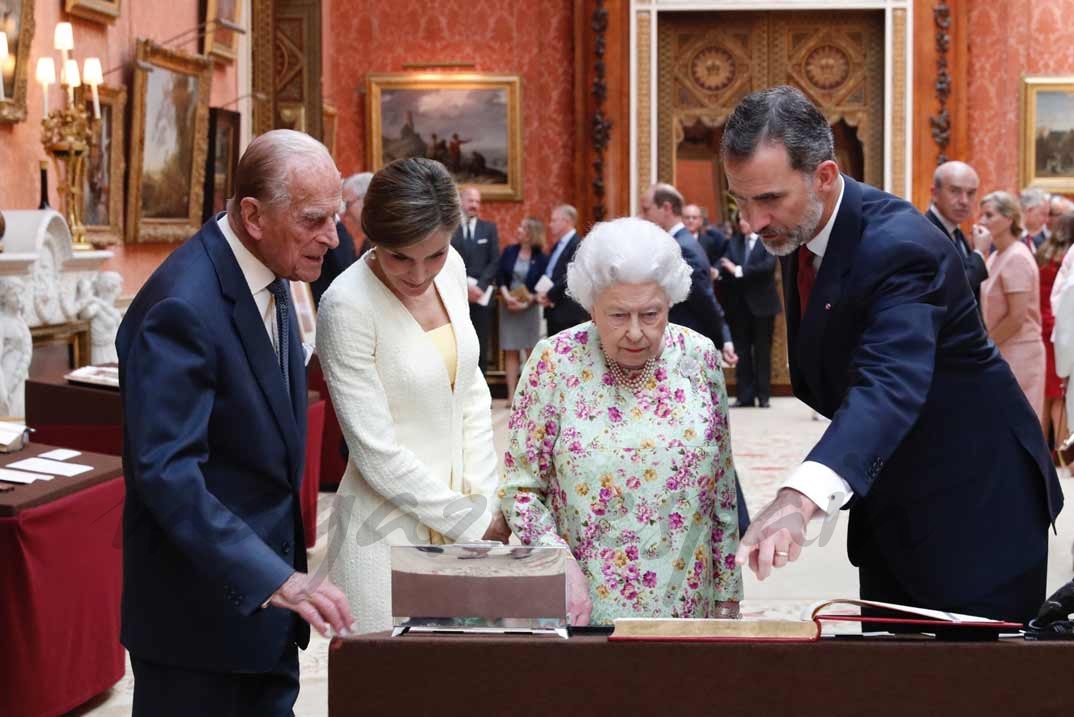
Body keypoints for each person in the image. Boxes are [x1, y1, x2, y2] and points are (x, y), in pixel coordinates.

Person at [722, 86, 1062, 624]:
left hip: (973, 504)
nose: (754, 222)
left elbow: (888, 383)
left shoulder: (900, 246)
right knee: (892, 677)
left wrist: (798, 496)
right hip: (893, 496)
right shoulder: (801, 229)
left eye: (768, 200)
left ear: (825, 177)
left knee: (973, 688)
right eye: (741, 200)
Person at [116, 129, 354, 716]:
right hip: (199, 632)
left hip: (262, 623)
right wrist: (275, 578)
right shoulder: (183, 305)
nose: (333, 236)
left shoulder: (270, 275)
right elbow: (167, 474)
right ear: (253, 215)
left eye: (336, 216)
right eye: (314, 219)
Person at [500, 216, 742, 626]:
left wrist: (727, 598)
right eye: (617, 315)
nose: (635, 332)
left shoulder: (698, 357)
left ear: (671, 302)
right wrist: (559, 564)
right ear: (591, 305)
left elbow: (721, 490)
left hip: (685, 611)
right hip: (582, 609)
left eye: (651, 314)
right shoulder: (554, 362)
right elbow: (519, 490)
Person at [316, 158, 508, 634]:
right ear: (372, 236)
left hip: (468, 520)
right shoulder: (345, 305)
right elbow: (374, 450)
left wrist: (482, 500)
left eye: (435, 254)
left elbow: (471, 394)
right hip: (382, 530)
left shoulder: (455, 269)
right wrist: (467, 520)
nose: (420, 273)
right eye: (400, 256)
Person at [638, 183, 736, 367]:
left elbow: (704, 299)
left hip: (684, 346)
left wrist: (723, 337)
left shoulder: (683, 248)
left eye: (646, 209)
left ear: (666, 208)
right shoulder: (675, 242)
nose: (642, 216)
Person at [978, 191, 1046, 423]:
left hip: (1020, 351)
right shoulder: (996, 256)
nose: (982, 221)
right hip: (1002, 348)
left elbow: (1016, 318)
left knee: (1018, 421)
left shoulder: (1017, 257)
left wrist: (986, 345)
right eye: (982, 215)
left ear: (1008, 219)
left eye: (989, 215)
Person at [719, 213, 782, 408]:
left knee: (763, 352)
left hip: (763, 307)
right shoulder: (734, 242)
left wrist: (738, 270)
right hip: (739, 307)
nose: (742, 224)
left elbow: (767, 267)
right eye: (739, 220)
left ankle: (764, 396)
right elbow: (724, 264)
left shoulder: (768, 240)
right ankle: (744, 396)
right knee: (742, 352)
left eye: (745, 220)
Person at [924, 161, 989, 306]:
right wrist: (978, 253)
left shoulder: (956, 231)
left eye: (971, 193)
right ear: (934, 194)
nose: (964, 201)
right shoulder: (926, 232)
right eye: (955, 191)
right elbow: (952, 290)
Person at [497, 217, 547, 401]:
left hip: (529, 308)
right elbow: (500, 275)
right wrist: (507, 296)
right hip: (509, 306)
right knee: (510, 350)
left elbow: (543, 284)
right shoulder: (510, 251)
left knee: (529, 352)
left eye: (523, 228)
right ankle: (511, 396)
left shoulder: (541, 257)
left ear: (531, 233)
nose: (518, 230)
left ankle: (529, 396)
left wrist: (527, 302)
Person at [450, 187, 500, 372]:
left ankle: (482, 389)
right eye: (471, 200)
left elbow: (495, 260)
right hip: (457, 295)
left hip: (481, 296)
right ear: (461, 201)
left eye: (478, 201)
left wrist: (479, 286)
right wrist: (464, 288)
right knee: (458, 342)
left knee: (481, 341)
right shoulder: (451, 229)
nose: (474, 205)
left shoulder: (489, 229)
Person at [1038, 212, 1074, 448]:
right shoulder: (1065, 255)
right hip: (1059, 328)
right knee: (1058, 398)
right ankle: (1066, 457)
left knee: (1047, 396)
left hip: (1048, 327)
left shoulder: (1043, 253)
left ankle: (1044, 450)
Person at [312, 171, 372, 306]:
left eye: (347, 204)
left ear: (367, 200)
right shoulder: (336, 232)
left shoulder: (380, 239)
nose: (342, 213)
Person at [537, 204, 589, 336]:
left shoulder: (577, 243)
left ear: (566, 221)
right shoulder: (557, 245)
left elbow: (569, 275)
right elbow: (552, 272)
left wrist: (549, 295)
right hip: (553, 309)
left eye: (554, 220)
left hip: (567, 311)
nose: (550, 224)